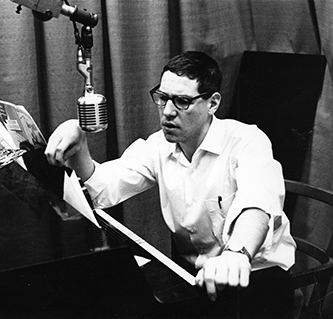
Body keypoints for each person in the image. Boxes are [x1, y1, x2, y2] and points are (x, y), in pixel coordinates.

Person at [45, 51, 296, 318]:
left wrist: (236, 254)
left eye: (182, 101)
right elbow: (105, 188)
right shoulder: (158, 145)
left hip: (257, 278)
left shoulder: (247, 141)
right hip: (195, 279)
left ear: (212, 103)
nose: (167, 112)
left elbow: (256, 206)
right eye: (163, 98)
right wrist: (80, 145)